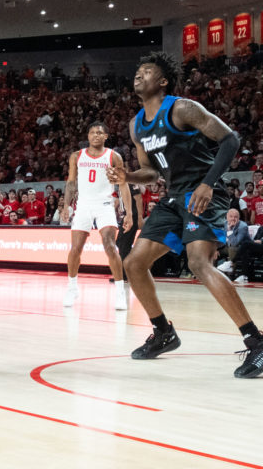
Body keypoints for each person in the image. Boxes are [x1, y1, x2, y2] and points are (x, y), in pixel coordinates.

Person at [106, 52, 263, 377]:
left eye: (147, 71)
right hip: (174, 197)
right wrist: (128, 177)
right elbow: (151, 172)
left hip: (204, 192)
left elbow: (230, 139)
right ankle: (163, 331)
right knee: (133, 263)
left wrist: (208, 183)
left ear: (162, 81)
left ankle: (257, 342)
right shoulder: (136, 125)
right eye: (137, 71)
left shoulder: (181, 108)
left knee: (198, 262)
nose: (139, 75)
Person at [61, 122, 133, 310]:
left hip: (105, 205)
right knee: (76, 248)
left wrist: (129, 212)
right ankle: (72, 287)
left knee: (109, 245)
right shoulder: (77, 156)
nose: (95, 135)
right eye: (92, 132)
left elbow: (123, 184)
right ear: (88, 135)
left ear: (106, 137)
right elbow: (70, 182)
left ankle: (119, 292)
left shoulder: (113, 156)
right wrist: (66, 206)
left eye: (99, 133)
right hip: (83, 205)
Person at [218, 208, 250, 274]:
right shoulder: (223, 224)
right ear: (226, 216)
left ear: (239, 218)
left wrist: (229, 230)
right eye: (231, 216)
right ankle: (211, 276)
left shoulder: (242, 226)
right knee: (213, 253)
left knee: (232, 249)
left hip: (240, 249)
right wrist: (215, 249)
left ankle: (230, 275)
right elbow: (218, 238)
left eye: (236, 217)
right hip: (226, 247)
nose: (233, 219)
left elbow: (235, 243)